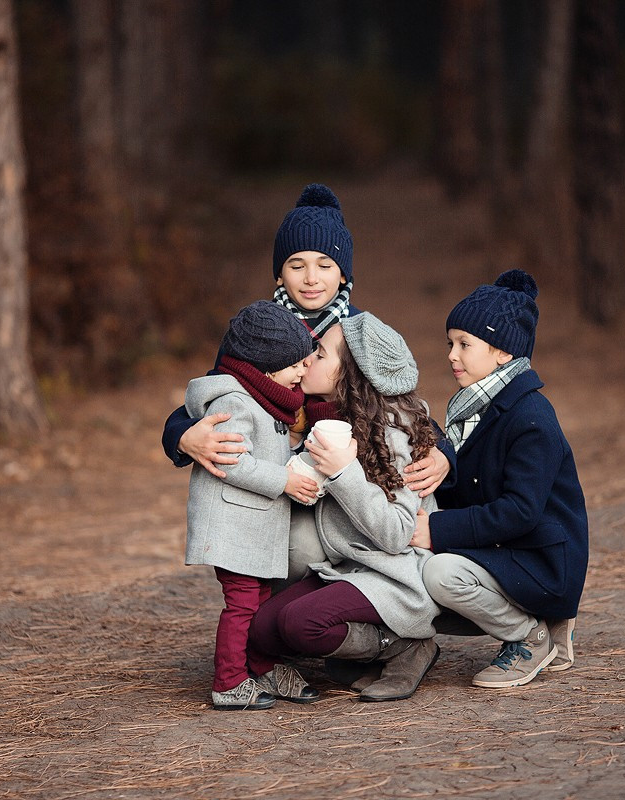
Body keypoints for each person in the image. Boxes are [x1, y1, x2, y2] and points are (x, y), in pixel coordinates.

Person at [161, 183, 451, 498]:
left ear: (343, 275)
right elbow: (214, 389)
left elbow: (398, 398)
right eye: (297, 266)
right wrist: (182, 436)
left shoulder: (357, 330)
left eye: (324, 266)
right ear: (279, 275)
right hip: (271, 480)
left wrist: (444, 454)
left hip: (344, 485)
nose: (311, 278)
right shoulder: (257, 329)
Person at [249, 313, 442, 703]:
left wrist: (342, 472)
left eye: (319, 354)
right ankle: (361, 648)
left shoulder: (394, 431)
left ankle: (404, 645)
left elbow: (396, 534)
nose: (307, 361)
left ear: (348, 373)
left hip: (394, 573)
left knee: (300, 624)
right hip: (346, 568)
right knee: (261, 629)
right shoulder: (329, 421)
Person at [411, 270, 589, 689]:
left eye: (465, 345)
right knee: (421, 568)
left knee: (440, 574)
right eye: (450, 343)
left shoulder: (531, 419)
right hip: (505, 549)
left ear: (503, 353)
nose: (452, 355)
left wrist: (434, 530)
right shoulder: (473, 410)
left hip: (541, 560)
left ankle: (533, 635)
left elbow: (520, 512)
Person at [181, 300, 322, 711]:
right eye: (296, 364)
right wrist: (285, 481)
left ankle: (261, 665)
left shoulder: (266, 397)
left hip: (252, 526)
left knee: (260, 601)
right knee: (243, 604)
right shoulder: (237, 402)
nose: (303, 372)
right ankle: (227, 681)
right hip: (233, 527)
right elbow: (233, 461)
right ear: (266, 365)